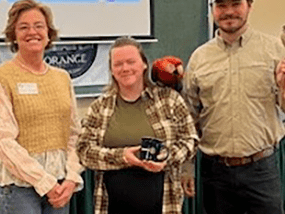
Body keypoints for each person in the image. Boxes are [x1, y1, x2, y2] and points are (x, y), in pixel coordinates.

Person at [182, 0, 285, 214]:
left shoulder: (274, 49)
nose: (229, 11)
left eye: (235, 4)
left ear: (249, 5)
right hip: (215, 174)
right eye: (221, 5)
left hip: (262, 170)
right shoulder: (199, 58)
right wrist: (187, 167)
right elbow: (189, 119)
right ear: (212, 11)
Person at [76, 36, 199, 214]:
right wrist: (122, 156)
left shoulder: (169, 100)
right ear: (111, 70)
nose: (125, 68)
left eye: (131, 62)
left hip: (164, 204)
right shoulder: (99, 107)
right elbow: (84, 151)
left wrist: (166, 157)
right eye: (118, 64)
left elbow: (190, 140)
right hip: (111, 205)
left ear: (144, 65)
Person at [0, 0, 84, 214]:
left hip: (60, 183)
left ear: (49, 33)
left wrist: (72, 177)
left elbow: (74, 134)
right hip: (18, 187)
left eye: (39, 26)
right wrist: (44, 182)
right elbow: (4, 141)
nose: (32, 32)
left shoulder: (62, 78)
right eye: (24, 27)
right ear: (14, 35)